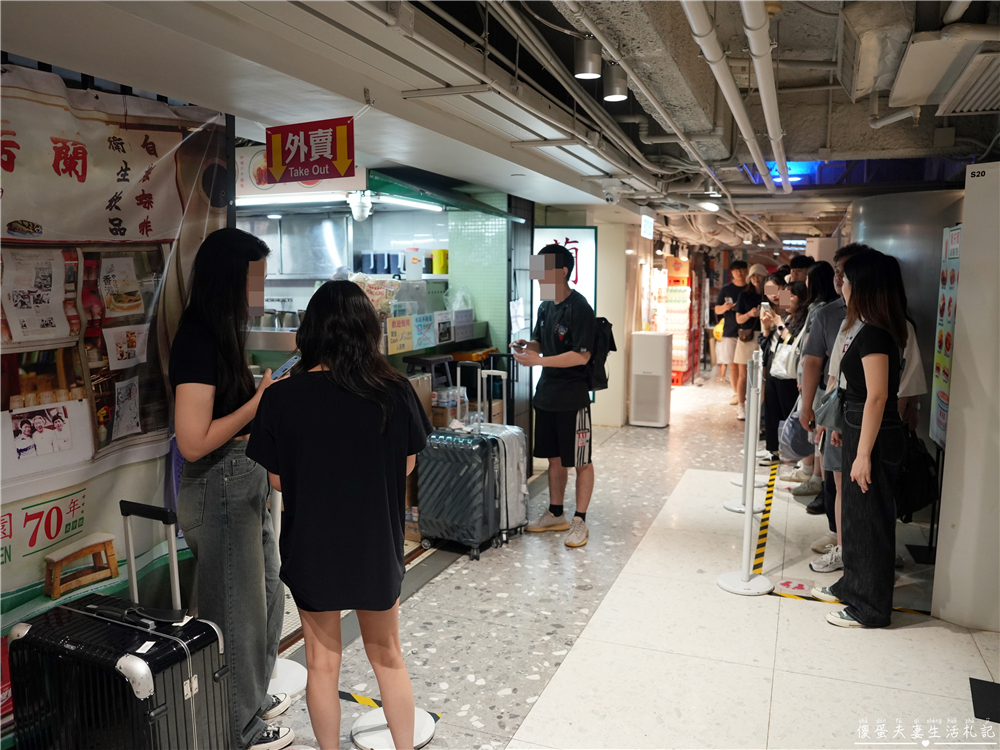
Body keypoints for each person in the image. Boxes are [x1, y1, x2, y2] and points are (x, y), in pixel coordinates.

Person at [248, 281, 430, 750]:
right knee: (388, 656)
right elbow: (405, 466)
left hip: (313, 546)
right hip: (375, 544)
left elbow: (277, 481)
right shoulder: (395, 391)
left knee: (321, 663)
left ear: (310, 333)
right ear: (367, 331)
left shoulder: (281, 398)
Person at [170, 228, 294, 750]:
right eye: (256, 279)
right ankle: (238, 727)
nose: (260, 291)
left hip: (242, 483)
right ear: (229, 280)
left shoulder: (221, 332)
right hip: (216, 487)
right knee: (235, 612)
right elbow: (193, 441)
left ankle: (251, 696)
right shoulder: (197, 337)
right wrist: (260, 400)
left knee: (266, 595)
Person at [811, 250, 908, 628]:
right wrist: (843, 432)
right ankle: (853, 586)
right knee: (854, 516)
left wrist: (863, 452)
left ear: (863, 286)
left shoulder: (877, 335)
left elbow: (877, 396)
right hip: (856, 425)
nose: (842, 286)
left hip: (874, 434)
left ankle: (869, 608)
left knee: (869, 521)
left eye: (847, 280)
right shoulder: (868, 327)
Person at [513, 244, 596, 548]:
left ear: (562, 271)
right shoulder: (546, 306)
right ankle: (556, 513)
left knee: (581, 461)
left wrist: (540, 361)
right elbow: (539, 341)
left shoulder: (580, 308)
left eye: (543, 270)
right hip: (547, 395)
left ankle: (580, 520)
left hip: (572, 398)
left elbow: (582, 356)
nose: (538, 278)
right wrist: (527, 348)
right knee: (554, 459)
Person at [799, 244, 869, 572]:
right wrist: (821, 414)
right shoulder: (831, 316)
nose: (839, 280)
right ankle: (843, 543)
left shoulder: (874, 326)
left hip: (858, 421)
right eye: (836, 272)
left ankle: (856, 552)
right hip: (841, 417)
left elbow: (879, 394)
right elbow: (826, 371)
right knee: (838, 485)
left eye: (845, 273)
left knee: (859, 490)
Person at [760, 280, 809, 465]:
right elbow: (769, 344)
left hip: (789, 375)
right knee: (771, 410)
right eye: (785, 295)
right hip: (775, 370)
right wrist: (768, 327)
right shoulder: (786, 317)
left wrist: (779, 324)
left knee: (789, 413)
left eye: (792, 295)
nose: (786, 299)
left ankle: (796, 454)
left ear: (802, 298)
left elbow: (793, 343)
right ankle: (773, 450)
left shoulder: (804, 320)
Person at [733, 264, 768, 421]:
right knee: (743, 375)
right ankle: (741, 406)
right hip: (748, 336)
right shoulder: (744, 295)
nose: (755, 279)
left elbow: (784, 309)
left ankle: (761, 408)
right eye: (753, 276)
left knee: (763, 375)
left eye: (758, 275)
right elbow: (738, 319)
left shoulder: (771, 291)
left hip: (767, 335)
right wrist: (750, 314)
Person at [714, 260, 748, 404]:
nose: (738, 273)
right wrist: (725, 307)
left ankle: (744, 394)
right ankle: (736, 393)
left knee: (745, 366)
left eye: (741, 270)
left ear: (746, 270)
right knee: (732, 364)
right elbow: (716, 310)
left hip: (748, 332)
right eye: (735, 271)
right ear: (731, 272)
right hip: (729, 330)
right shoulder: (726, 289)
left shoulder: (750, 288)